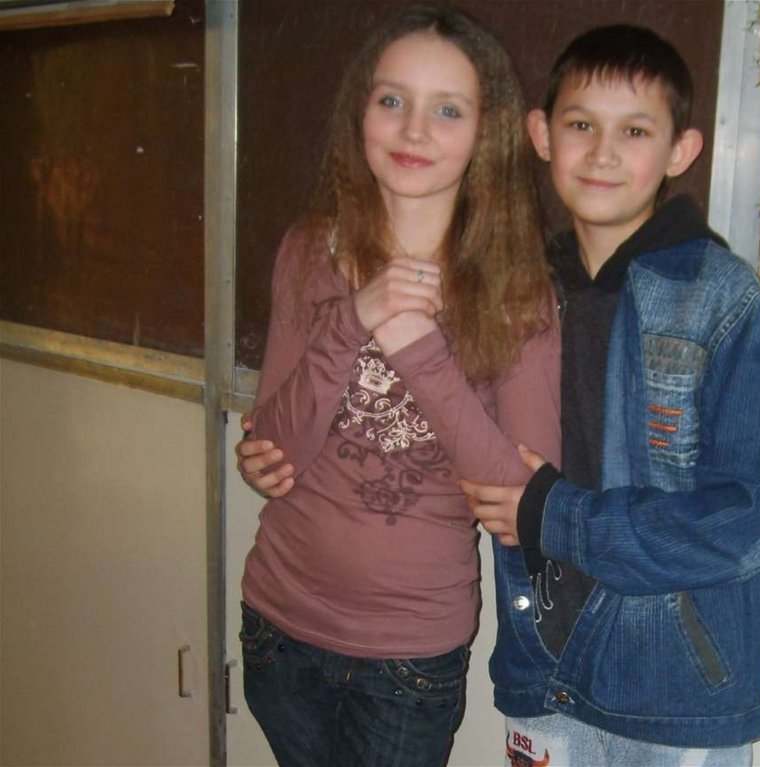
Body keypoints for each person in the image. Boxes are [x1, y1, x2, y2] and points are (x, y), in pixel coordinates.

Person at [458, 25, 760, 767]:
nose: (603, 152)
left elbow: (759, 514)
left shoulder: (723, 302)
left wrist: (557, 515)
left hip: (670, 696)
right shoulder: (517, 290)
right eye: (581, 124)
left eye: (636, 131)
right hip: (543, 672)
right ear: (541, 135)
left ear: (681, 150)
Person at [236, 6, 560, 766]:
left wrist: (417, 346)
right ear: (361, 112)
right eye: (392, 100)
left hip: (407, 657)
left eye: (447, 110)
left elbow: (519, 504)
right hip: (277, 626)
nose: (414, 129)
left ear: (486, 131)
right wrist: (355, 317)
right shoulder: (309, 250)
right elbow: (275, 450)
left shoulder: (518, 289)